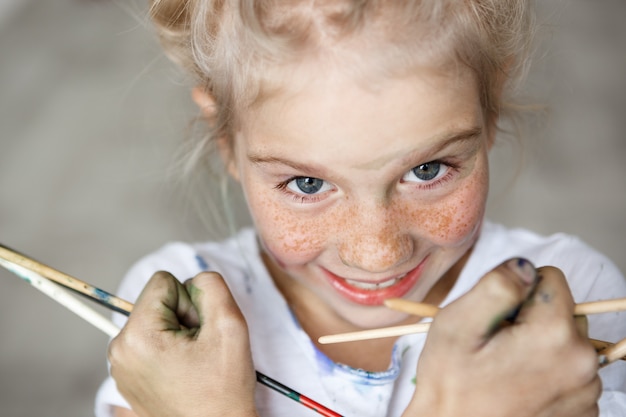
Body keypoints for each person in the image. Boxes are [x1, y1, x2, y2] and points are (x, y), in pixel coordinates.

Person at [96, 1, 626, 416]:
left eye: (427, 170)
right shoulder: (179, 324)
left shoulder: (569, 303)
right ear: (225, 140)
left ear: (488, 115)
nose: (377, 255)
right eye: (306, 183)